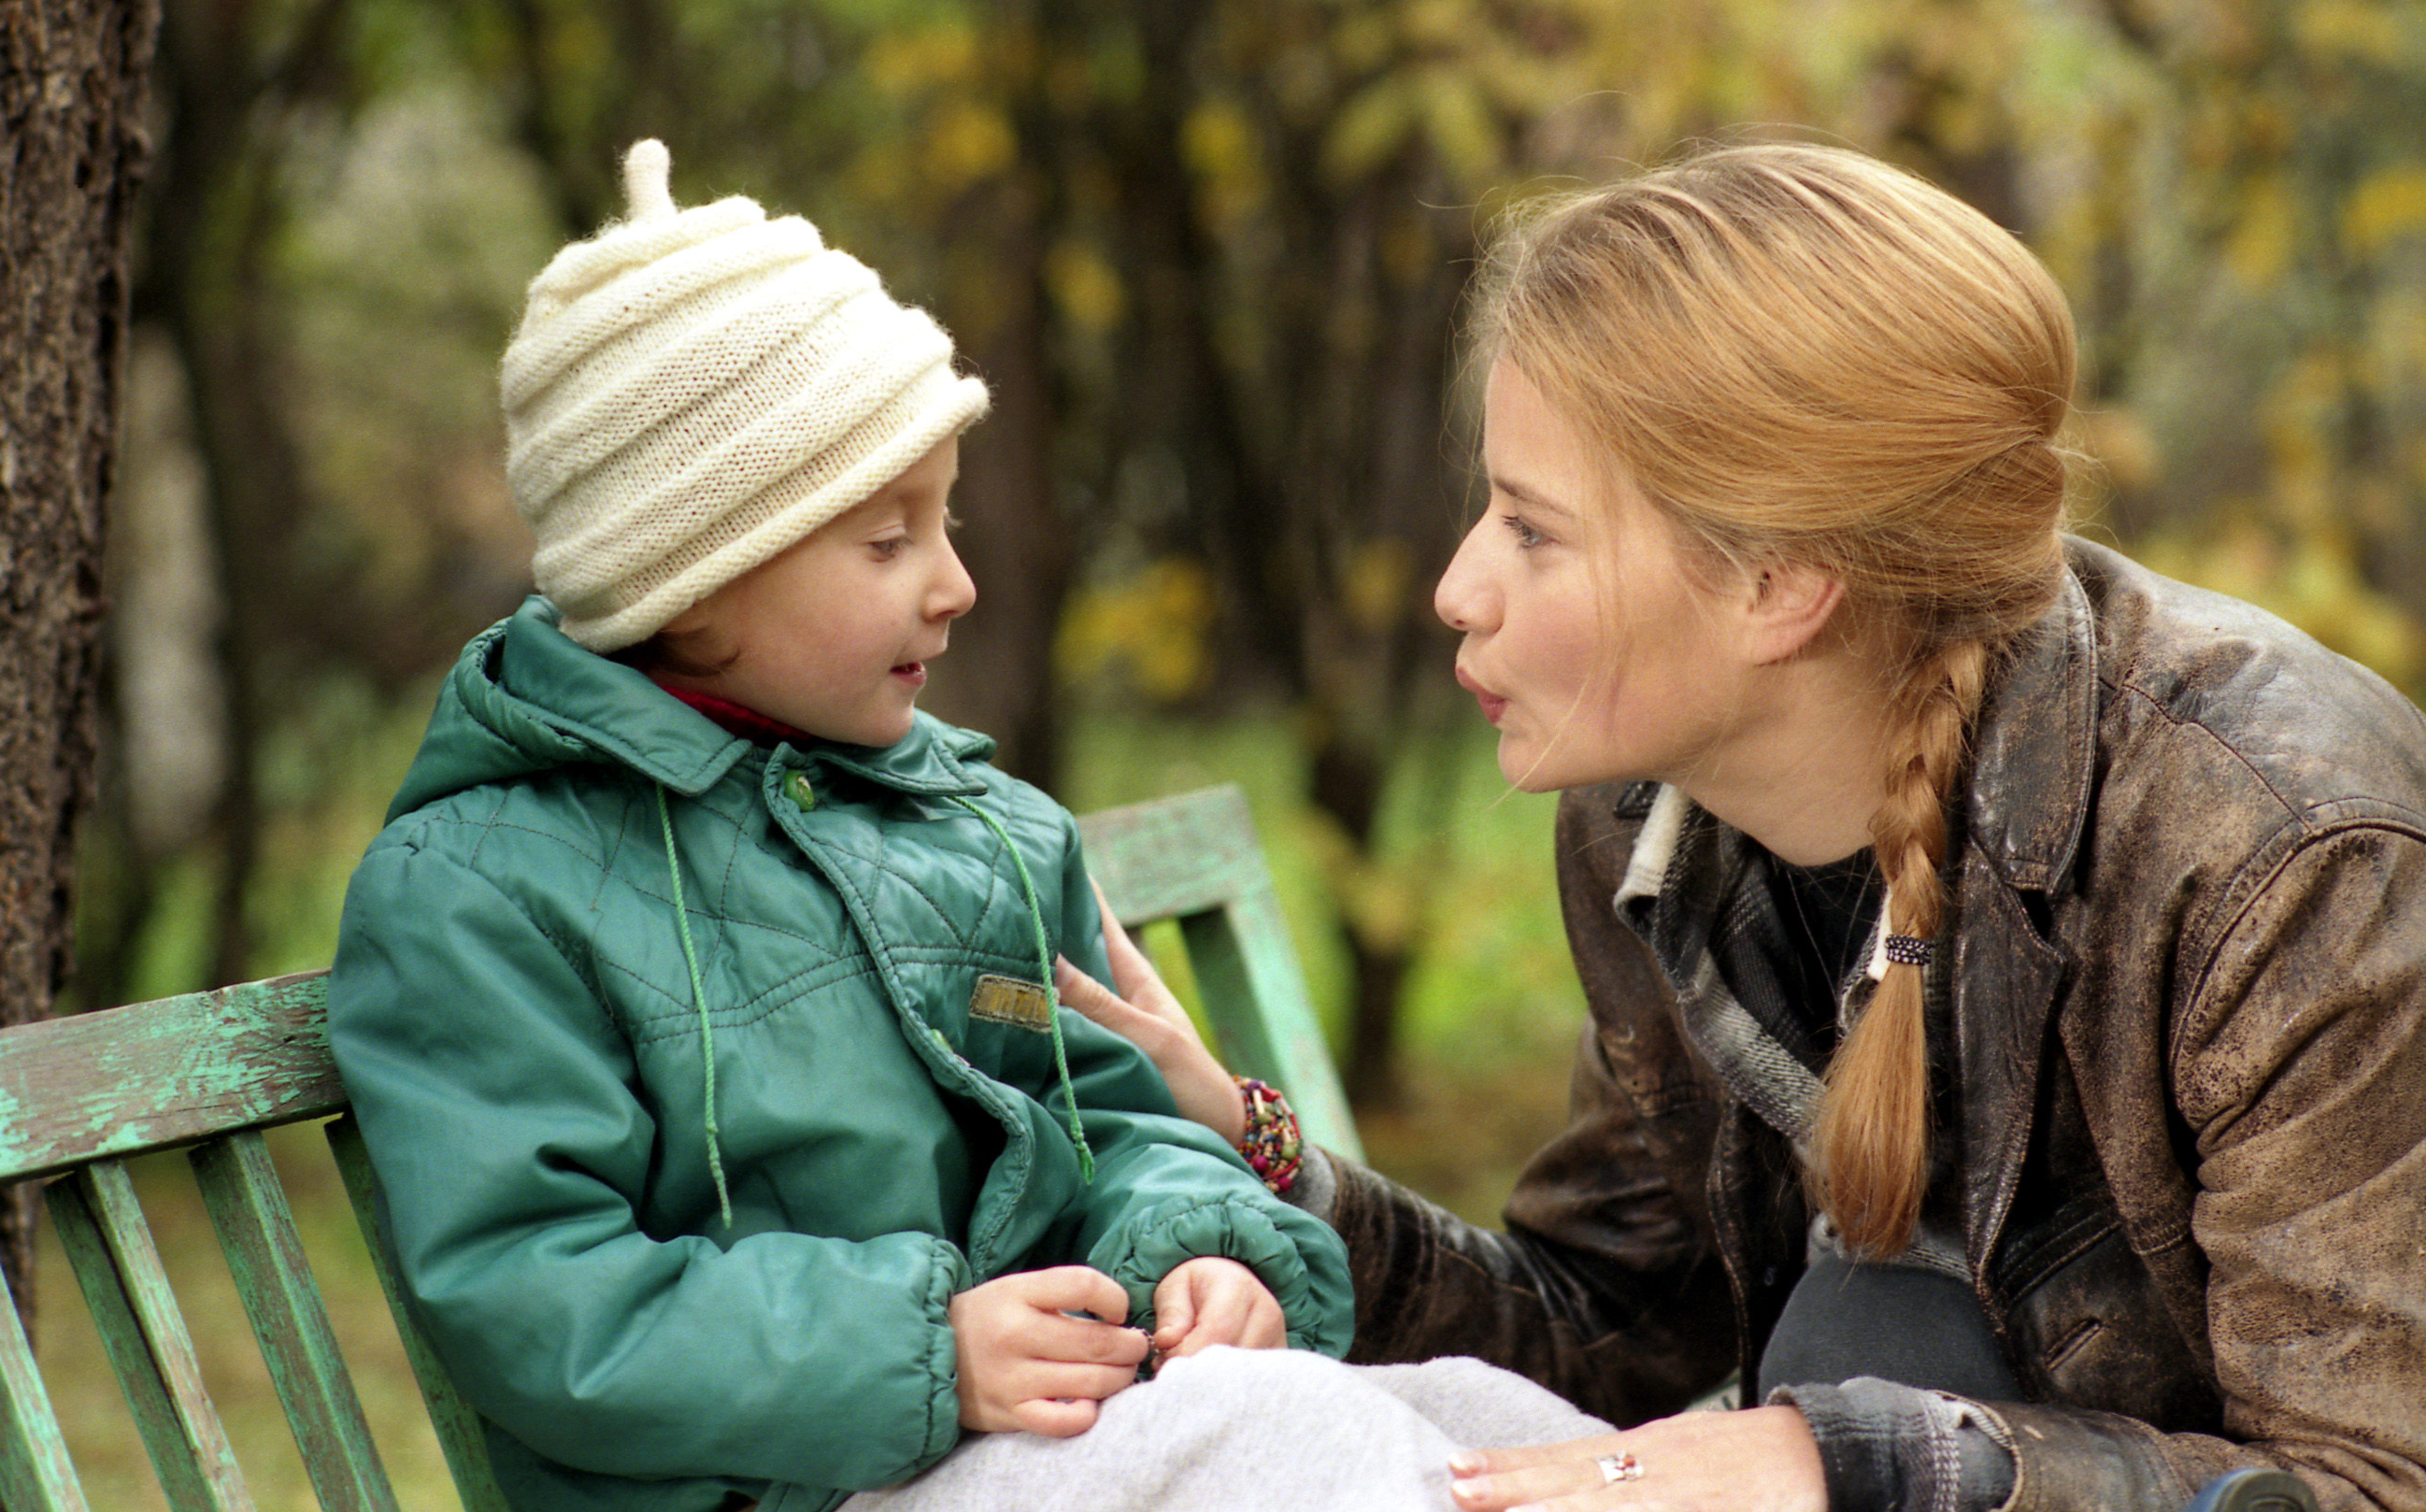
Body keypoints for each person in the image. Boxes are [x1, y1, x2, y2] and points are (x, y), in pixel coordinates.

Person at [1039, 140, 2426, 1511]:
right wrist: (1255, 1143)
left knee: (1869, 1347)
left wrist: (1865, 1459)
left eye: (1535, 530)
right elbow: (1611, 1327)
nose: (1460, 587)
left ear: (1780, 583)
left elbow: (2372, 1482)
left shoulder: (2280, 848)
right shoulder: (1647, 815)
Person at [324, 138, 1353, 1512]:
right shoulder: (480, 894)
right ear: (691, 588)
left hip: (1050, 1445)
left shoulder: (978, 830)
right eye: (888, 540)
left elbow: (1104, 1112)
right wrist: (924, 1349)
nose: (957, 585)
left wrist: (1199, 1256)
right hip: (802, 1480)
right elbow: (542, 1295)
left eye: (947, 521)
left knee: (1474, 1424)